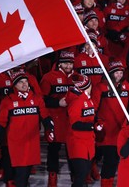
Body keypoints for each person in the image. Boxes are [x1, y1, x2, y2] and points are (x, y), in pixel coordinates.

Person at [0, 70, 54, 187]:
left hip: (31, 143)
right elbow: (1, 123)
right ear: (14, 85)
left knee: (25, 174)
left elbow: (45, 116)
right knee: (20, 175)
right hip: (15, 145)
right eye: (21, 82)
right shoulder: (8, 101)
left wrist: (50, 128)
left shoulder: (37, 99)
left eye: (26, 81)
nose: (24, 84)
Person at [91, 60, 129, 185]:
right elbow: (93, 106)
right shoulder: (101, 87)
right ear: (110, 73)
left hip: (119, 130)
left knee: (112, 160)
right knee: (99, 155)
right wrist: (94, 122)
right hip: (104, 130)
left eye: (121, 72)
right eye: (116, 72)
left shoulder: (126, 86)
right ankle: (92, 165)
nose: (119, 75)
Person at [39, 51, 75, 187]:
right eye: (66, 63)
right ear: (60, 63)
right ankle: (52, 178)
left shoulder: (77, 77)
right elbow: (42, 100)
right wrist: (57, 103)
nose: (68, 65)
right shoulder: (49, 77)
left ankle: (76, 177)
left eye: (70, 63)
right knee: (53, 150)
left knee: (73, 151)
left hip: (72, 120)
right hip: (56, 119)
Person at [65, 73, 95, 187]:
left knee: (84, 174)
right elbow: (75, 124)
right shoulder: (77, 102)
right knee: (81, 174)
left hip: (88, 142)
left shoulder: (88, 100)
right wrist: (92, 126)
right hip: (77, 142)